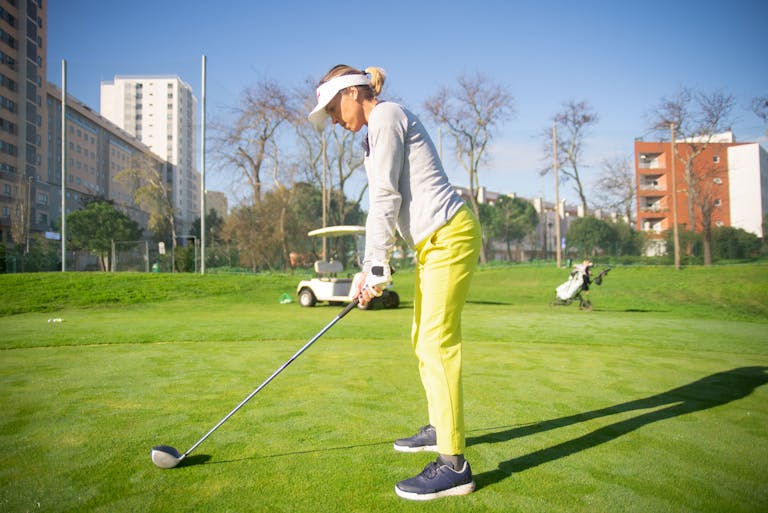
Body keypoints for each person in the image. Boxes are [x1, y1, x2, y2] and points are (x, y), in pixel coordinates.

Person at [308, 65, 482, 501]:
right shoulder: (380, 124)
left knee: (436, 343)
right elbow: (393, 201)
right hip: (434, 243)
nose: (332, 119)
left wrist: (375, 265)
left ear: (351, 93)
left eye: (332, 108)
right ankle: (440, 427)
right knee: (421, 336)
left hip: (449, 235)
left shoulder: (385, 116)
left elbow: (386, 196)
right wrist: (374, 267)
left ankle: (454, 464)